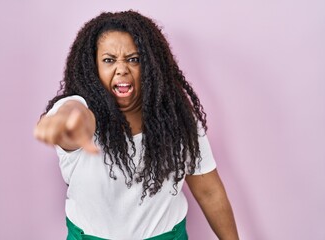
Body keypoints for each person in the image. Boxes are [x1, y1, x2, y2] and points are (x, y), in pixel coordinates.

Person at [34, 10, 239, 240]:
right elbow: (74, 114)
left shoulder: (177, 118)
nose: (122, 69)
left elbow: (209, 192)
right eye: (109, 60)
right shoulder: (80, 108)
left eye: (134, 59)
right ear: (93, 68)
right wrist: (64, 123)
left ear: (151, 66)